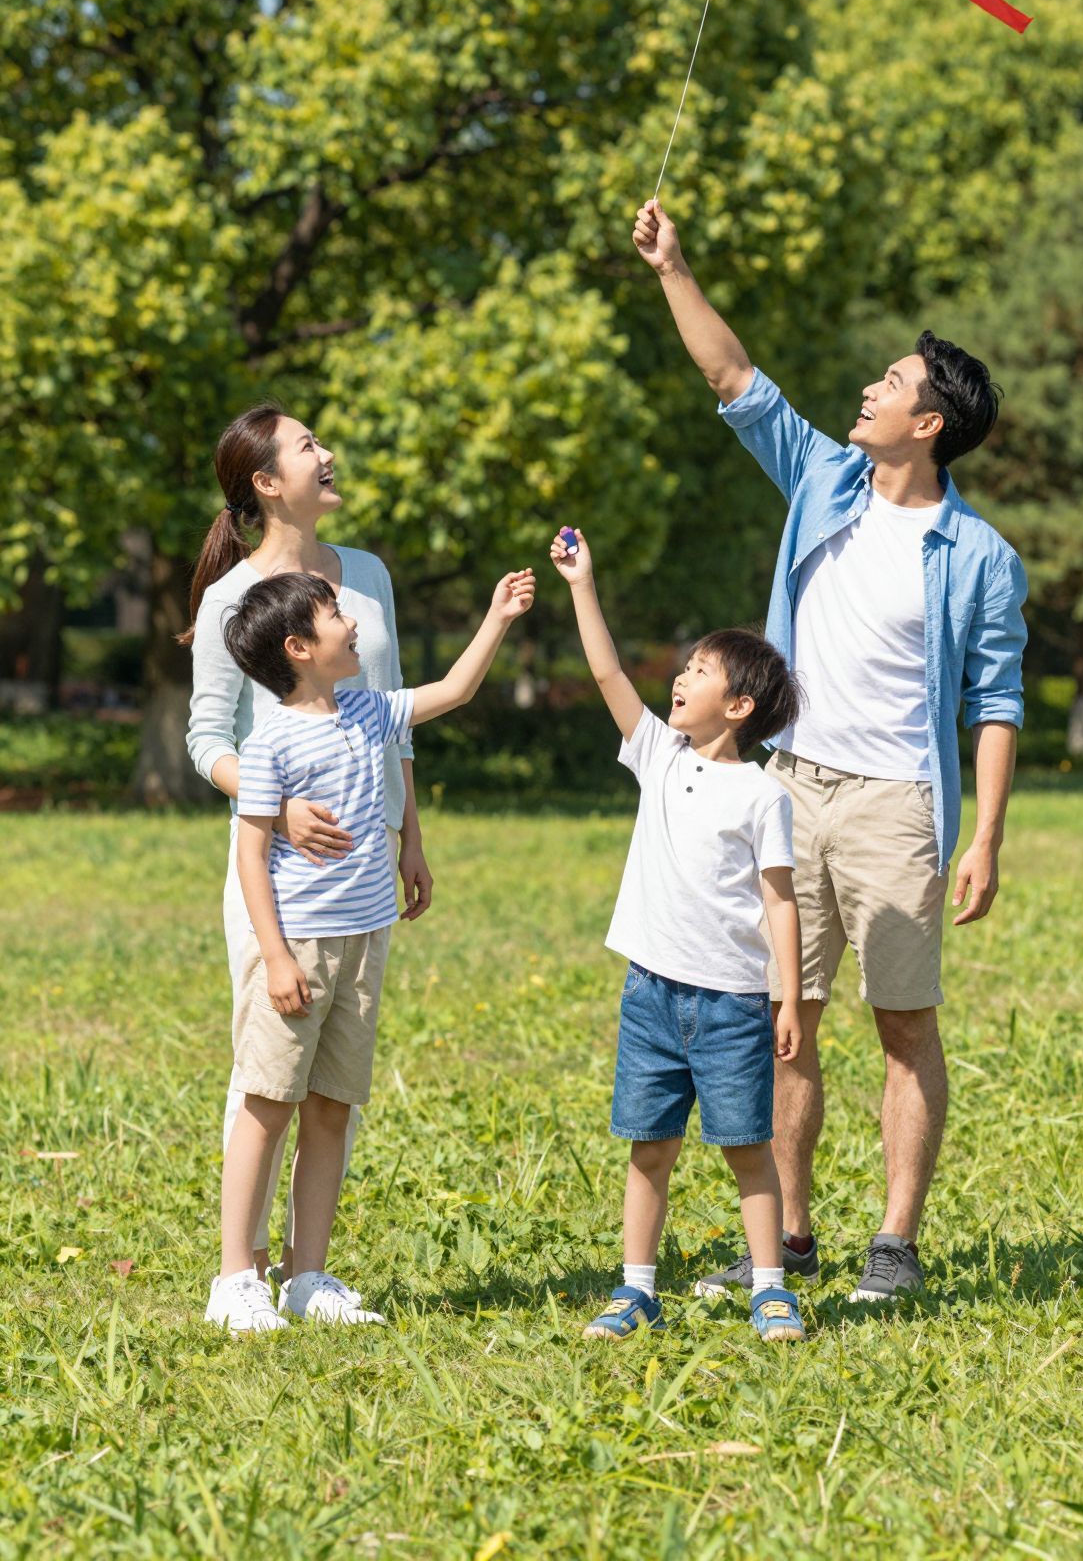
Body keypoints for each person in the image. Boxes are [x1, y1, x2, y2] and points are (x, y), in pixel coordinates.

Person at [633, 196, 1027, 1304]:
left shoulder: (979, 555)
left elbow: (996, 701)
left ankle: (892, 1246)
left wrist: (983, 836)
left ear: (930, 423)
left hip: (900, 804)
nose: (870, 389)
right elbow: (733, 376)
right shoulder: (822, 481)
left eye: (892, 383)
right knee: (784, 1023)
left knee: (904, 1023)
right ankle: (790, 1241)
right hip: (789, 791)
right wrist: (673, 266)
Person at [205, 563, 535, 1333]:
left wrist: (497, 616)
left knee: (330, 1108)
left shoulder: (366, 711)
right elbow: (252, 858)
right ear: (298, 647)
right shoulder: (272, 743)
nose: (350, 622)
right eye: (332, 615)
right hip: (298, 948)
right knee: (266, 1104)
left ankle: (306, 1275)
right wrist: (278, 957)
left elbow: (451, 691)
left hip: (362, 944)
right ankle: (233, 1279)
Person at [184, 405, 433, 1283]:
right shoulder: (229, 600)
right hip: (278, 874)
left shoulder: (364, 576)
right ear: (266, 482)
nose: (327, 454)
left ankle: (307, 1270)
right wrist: (273, 804)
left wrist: (411, 834)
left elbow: (391, 717)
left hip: (365, 870)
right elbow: (205, 736)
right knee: (267, 1065)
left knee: (334, 1074)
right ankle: (239, 1272)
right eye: (307, 446)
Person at [549, 525, 807, 1344]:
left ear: (738, 707)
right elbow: (605, 670)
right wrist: (582, 584)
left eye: (698, 671)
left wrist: (787, 998)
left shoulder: (764, 796)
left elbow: (781, 904)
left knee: (747, 1149)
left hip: (733, 1005)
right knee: (648, 1147)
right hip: (651, 994)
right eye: (684, 666)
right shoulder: (657, 754)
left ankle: (771, 1287)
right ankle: (636, 1289)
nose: (679, 677)